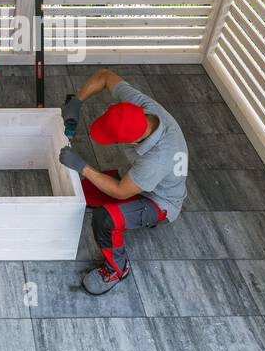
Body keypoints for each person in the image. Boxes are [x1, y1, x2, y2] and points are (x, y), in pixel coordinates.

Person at [57, 68, 188, 294]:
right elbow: (105, 76)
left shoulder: (158, 158)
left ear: (134, 140)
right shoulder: (142, 109)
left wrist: (83, 166)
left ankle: (117, 269)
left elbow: (120, 191)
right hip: (133, 176)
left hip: (159, 202)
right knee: (82, 191)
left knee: (105, 218)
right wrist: (77, 102)